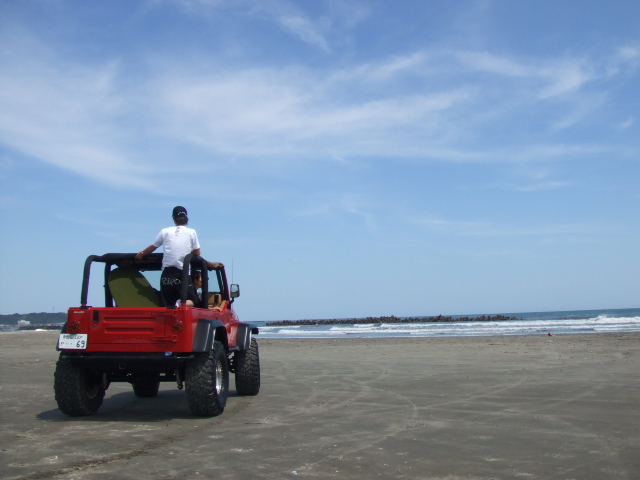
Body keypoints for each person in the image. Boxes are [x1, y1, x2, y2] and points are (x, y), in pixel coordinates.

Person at [135, 206, 201, 307]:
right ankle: (179, 303)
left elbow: (153, 247)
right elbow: (198, 253)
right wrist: (190, 250)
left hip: (166, 275)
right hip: (181, 273)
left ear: (174, 219)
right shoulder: (191, 232)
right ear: (186, 218)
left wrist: (142, 253)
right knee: (194, 300)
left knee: (166, 304)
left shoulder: (165, 231)